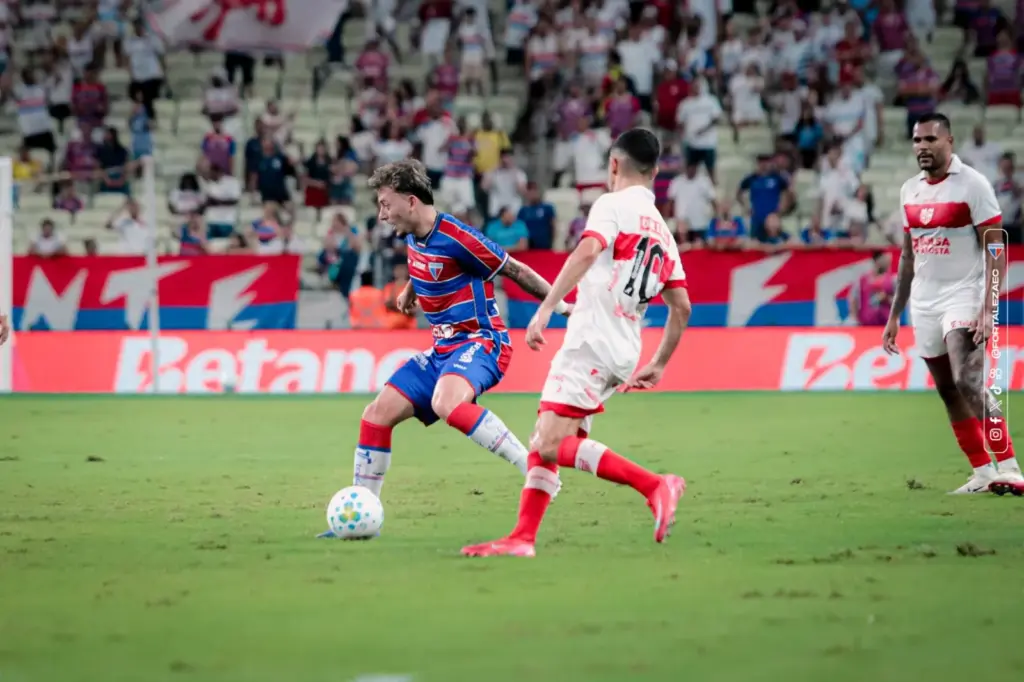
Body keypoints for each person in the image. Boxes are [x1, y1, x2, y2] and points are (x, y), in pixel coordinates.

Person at [461, 128, 691, 558]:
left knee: (548, 444)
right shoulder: (663, 230)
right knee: (547, 439)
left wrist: (547, 307)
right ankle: (523, 538)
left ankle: (655, 484)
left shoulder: (612, 204)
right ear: (656, 172)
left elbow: (587, 251)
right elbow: (682, 306)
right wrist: (659, 363)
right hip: (625, 349)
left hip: (591, 342)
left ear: (613, 165)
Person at [317, 160, 571, 538]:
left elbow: (514, 270)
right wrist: (409, 290)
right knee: (375, 415)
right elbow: (426, 267)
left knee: (446, 403)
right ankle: (364, 512)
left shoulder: (459, 237)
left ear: (411, 201)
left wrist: (560, 307)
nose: (382, 214)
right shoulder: (412, 234)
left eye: (386, 204)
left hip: (483, 342)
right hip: (442, 350)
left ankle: (534, 465)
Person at [883, 113, 1023, 496]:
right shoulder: (910, 190)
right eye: (917, 141)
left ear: (950, 142)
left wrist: (988, 308)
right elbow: (909, 255)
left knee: (967, 378)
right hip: (924, 302)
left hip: (965, 295)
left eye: (930, 139)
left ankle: (1009, 466)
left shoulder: (973, 185)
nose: (922, 147)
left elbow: (996, 247)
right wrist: (895, 314)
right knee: (947, 389)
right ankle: (982, 472)